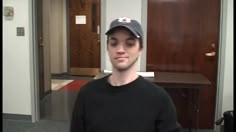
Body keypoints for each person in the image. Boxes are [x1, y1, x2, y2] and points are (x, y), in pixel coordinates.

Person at [70, 17, 181, 132]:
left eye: (130, 43)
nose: (120, 49)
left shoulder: (159, 98)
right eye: (114, 43)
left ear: (140, 49)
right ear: (107, 47)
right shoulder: (88, 94)